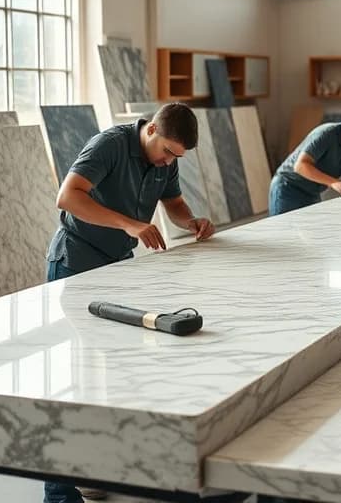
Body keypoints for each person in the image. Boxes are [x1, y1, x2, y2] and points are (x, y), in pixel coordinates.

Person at [43, 102, 215, 503]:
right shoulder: (109, 145)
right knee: (74, 385)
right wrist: (130, 223)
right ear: (151, 129)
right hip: (76, 262)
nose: (170, 161)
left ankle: (99, 468)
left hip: (118, 266)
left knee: (120, 373)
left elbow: (173, 204)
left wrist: (190, 221)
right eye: (168, 151)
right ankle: (59, 493)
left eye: (178, 157)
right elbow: (67, 197)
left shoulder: (165, 159)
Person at [268, 108, 341, 216]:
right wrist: (333, 182)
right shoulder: (326, 134)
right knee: (283, 233)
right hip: (288, 187)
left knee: (314, 233)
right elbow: (300, 166)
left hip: (312, 193)